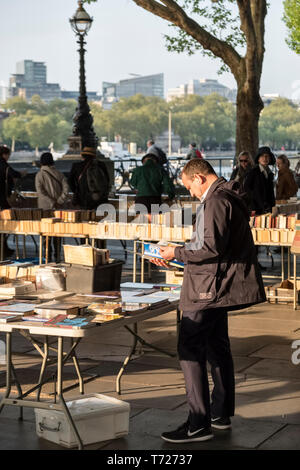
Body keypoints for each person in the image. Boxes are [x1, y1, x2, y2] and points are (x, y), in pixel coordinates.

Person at [151, 158, 265, 444]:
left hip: (207, 288)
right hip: (217, 285)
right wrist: (179, 254)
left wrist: (175, 253)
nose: (190, 193)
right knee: (217, 346)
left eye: (189, 186)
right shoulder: (228, 196)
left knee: (190, 350)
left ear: (199, 178)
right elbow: (213, 245)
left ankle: (197, 423)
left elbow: (209, 247)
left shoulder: (214, 202)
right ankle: (220, 412)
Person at [35, 152, 69, 262]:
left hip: (45, 209)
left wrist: (51, 202)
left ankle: (47, 254)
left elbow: (40, 192)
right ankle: (57, 255)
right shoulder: (59, 174)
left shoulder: (39, 175)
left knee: (45, 233)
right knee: (57, 232)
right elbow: (66, 189)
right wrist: (59, 200)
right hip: (59, 208)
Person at [129, 154, 175, 219]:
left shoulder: (137, 170)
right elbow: (168, 184)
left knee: (141, 223)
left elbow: (133, 183)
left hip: (140, 200)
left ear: (143, 162)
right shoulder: (160, 170)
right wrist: (171, 196)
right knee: (155, 223)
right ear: (155, 161)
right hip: (155, 200)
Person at [0, 145, 26, 257]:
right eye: (8, 155)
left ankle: (4, 248)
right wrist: (21, 174)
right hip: (1, 199)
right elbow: (12, 173)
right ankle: (3, 249)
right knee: (5, 223)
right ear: (4, 155)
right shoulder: (3, 164)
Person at [68, 146, 109, 210]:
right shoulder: (101, 165)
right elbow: (107, 180)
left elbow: (70, 181)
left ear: (83, 155)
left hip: (82, 197)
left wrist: (76, 191)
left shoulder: (77, 166)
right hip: (98, 198)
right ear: (94, 156)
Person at [243, 146, 276, 215]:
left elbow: (271, 193)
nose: (265, 158)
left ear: (270, 158)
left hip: (267, 209)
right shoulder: (253, 172)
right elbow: (246, 189)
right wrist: (253, 206)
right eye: (262, 156)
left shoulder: (270, 174)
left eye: (267, 156)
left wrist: (272, 206)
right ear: (258, 159)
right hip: (255, 209)